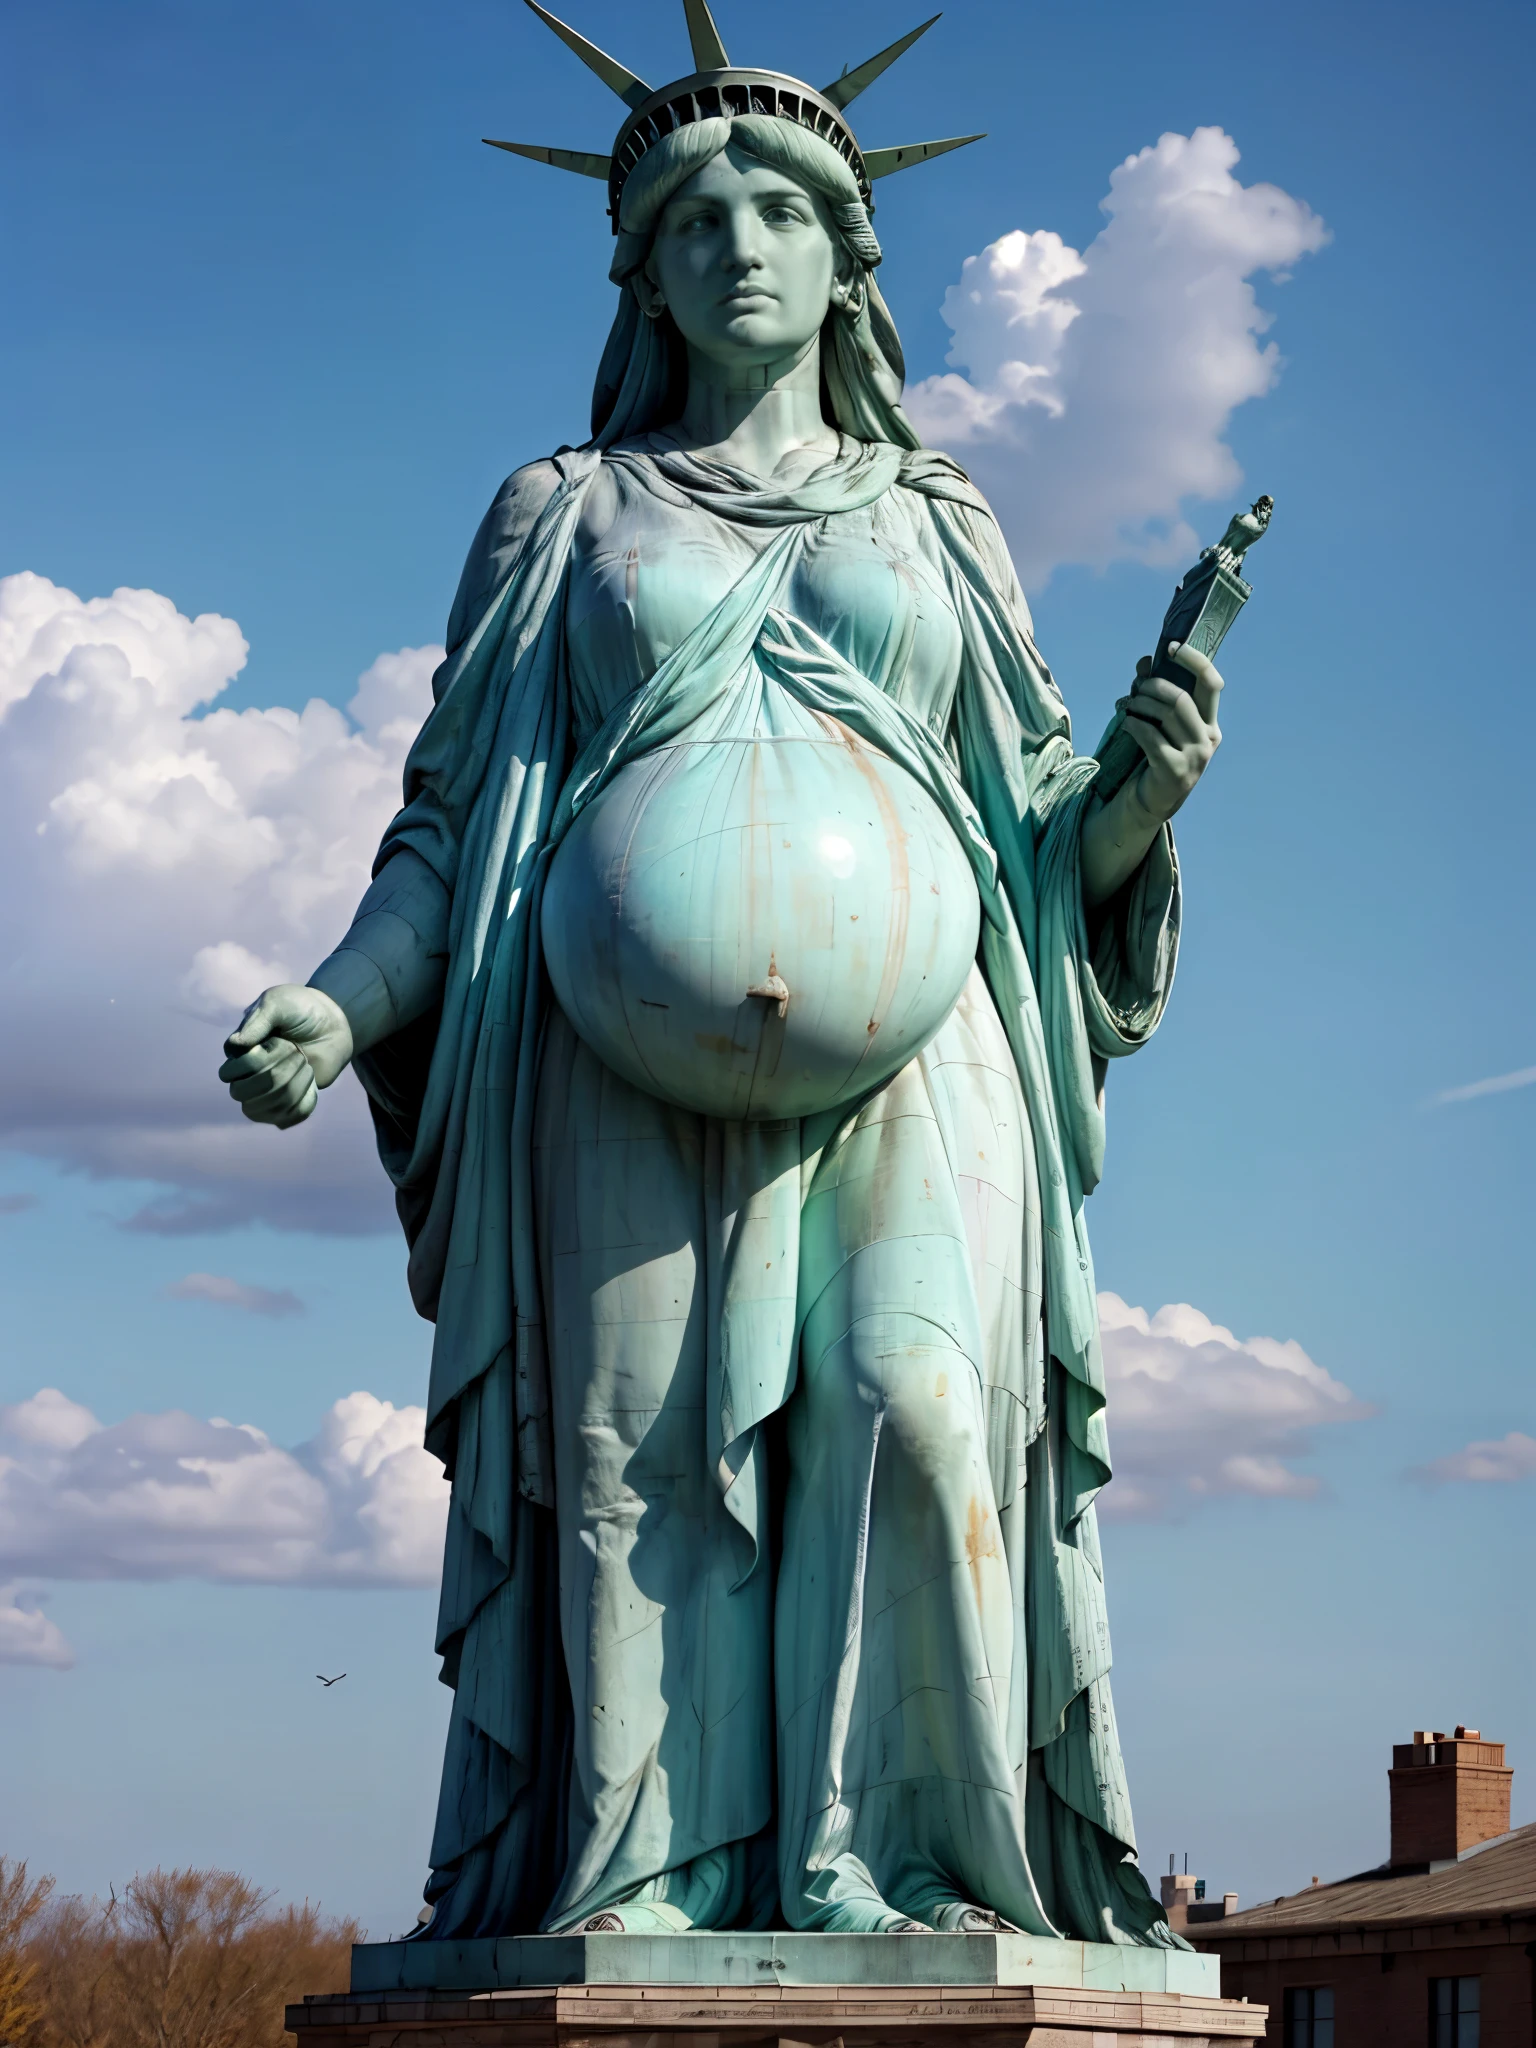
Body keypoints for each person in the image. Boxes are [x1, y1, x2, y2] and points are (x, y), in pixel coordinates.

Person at [217, 79, 1223, 1944]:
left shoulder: (942, 517)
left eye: (782, 214)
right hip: (608, 1061)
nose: (738, 246)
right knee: (623, 1459)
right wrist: (341, 1005)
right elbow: (453, 826)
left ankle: (901, 1861)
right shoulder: (563, 512)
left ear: (853, 266)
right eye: (696, 218)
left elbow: (1039, 828)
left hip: (927, 1055)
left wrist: (1140, 808)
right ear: (642, 276)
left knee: (920, 1411)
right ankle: (642, 1878)